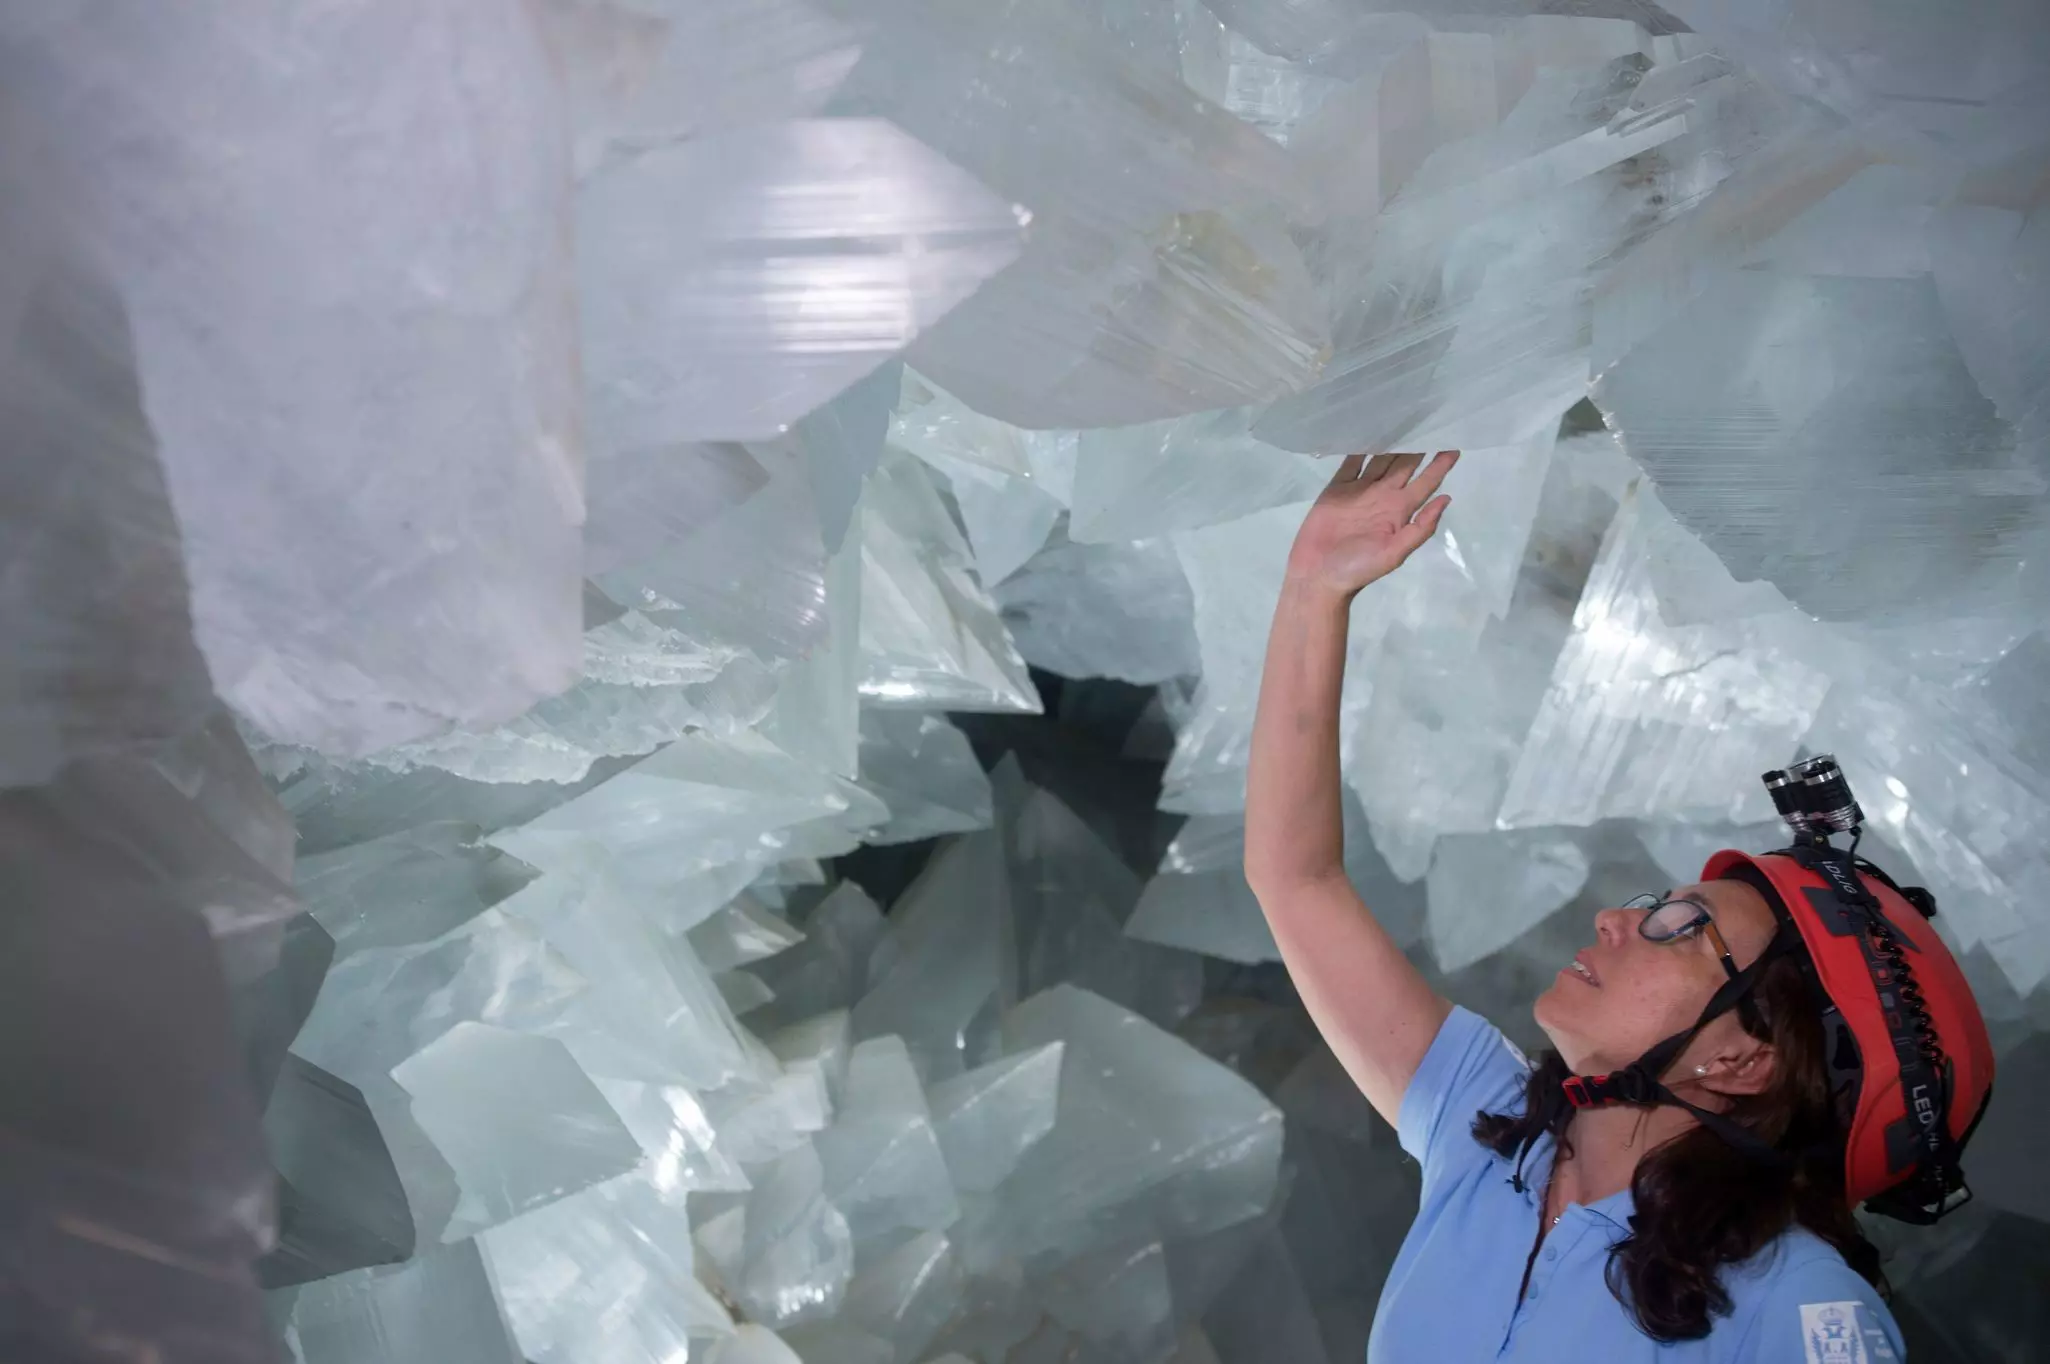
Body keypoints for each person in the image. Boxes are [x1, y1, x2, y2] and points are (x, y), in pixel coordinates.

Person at [1244, 450, 1997, 1362]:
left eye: (1680, 928)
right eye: (1653, 904)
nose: (1616, 919)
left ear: (1742, 1057)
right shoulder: (1487, 1135)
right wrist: (1313, 590)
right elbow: (1296, 877)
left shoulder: (1800, 1307)